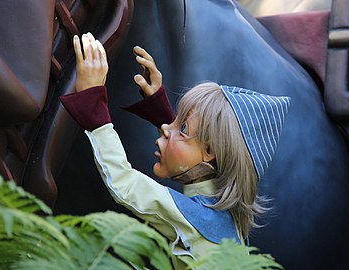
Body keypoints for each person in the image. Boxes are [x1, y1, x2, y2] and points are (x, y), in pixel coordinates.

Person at [60, 32, 290, 268]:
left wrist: (93, 104)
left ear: (210, 152)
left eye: (182, 128)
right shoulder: (225, 219)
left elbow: (124, 184)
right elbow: (190, 150)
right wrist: (166, 117)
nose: (167, 130)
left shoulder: (198, 218)